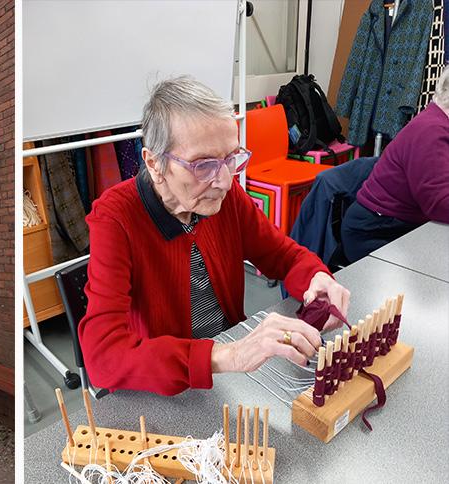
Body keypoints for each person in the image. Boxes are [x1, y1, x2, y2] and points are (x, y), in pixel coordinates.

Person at [79, 77, 351, 396]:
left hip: (228, 372)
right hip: (168, 384)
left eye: (231, 158)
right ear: (154, 164)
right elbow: (104, 358)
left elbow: (284, 256)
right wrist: (227, 355)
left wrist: (317, 278)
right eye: (204, 165)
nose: (224, 180)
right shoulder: (115, 218)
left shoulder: (225, 197)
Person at [340, 68, 449, 263]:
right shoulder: (432, 131)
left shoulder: (437, 122)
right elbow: (438, 202)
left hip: (393, 224)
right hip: (376, 232)